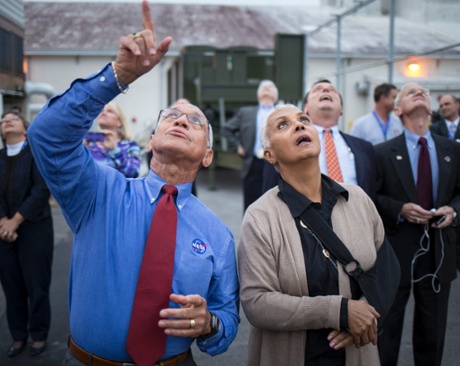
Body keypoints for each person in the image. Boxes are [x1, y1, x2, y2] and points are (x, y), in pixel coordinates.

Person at [28, 1, 239, 365]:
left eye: (195, 120)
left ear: (207, 155)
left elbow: (227, 317)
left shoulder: (218, 234)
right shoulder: (99, 192)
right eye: (171, 115)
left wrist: (210, 324)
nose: (181, 120)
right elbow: (47, 135)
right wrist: (118, 76)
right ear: (149, 141)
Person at [238, 104, 391, 365]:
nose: (299, 125)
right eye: (282, 125)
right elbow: (257, 302)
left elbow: (386, 267)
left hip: (358, 353)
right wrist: (340, 312)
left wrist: (364, 313)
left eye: (303, 119)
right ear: (269, 155)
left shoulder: (358, 198)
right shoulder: (259, 216)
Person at [374, 83, 460, 366]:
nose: (419, 92)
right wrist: (400, 209)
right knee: (387, 334)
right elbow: (371, 197)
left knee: (432, 335)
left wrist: (453, 210)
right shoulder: (382, 152)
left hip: (438, 253)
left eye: (423, 91)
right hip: (395, 255)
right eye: (410, 92)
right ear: (397, 110)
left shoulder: (452, 150)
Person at [262, 80, 376, 199]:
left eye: (332, 90)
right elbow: (271, 195)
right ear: (305, 108)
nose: (326, 90)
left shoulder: (365, 148)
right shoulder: (283, 147)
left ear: (341, 108)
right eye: (317, 90)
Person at [0, 109, 54, 358]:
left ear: (25, 128)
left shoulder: (35, 154)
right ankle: (18, 336)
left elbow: (42, 189)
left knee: (37, 285)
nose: (5, 121)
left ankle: (39, 335)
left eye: (12, 118)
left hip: (35, 228)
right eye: (2, 119)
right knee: (12, 286)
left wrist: (16, 221)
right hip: (3, 231)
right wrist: (4, 222)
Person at [222, 80, 278, 210]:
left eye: (270, 88)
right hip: (252, 164)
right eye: (263, 88)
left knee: (273, 204)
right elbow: (227, 129)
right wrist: (237, 147)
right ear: (258, 95)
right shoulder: (246, 112)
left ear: (275, 95)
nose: (266, 90)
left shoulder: (281, 113)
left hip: (275, 165)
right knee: (251, 205)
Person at [84, 101, 141, 178]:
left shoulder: (130, 145)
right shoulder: (89, 146)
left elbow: (133, 174)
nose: (103, 113)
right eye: (101, 110)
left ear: (120, 122)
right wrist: (81, 151)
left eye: (109, 111)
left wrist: (114, 150)